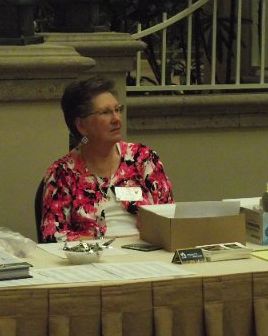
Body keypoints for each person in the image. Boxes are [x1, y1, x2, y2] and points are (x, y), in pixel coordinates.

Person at [40, 76, 173, 242]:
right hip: (92, 260)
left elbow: (170, 220)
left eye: (117, 110)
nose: (116, 119)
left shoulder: (144, 159)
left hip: (147, 254)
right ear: (81, 126)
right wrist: (104, 243)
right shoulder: (63, 172)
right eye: (105, 112)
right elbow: (53, 235)